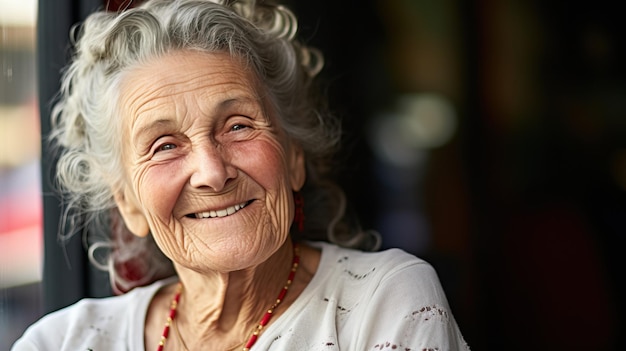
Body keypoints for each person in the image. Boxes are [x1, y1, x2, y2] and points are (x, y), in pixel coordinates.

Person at [12, 0, 470, 350]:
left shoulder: (382, 303)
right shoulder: (62, 342)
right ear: (128, 201)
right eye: (165, 146)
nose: (212, 172)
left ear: (293, 157)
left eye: (238, 126)